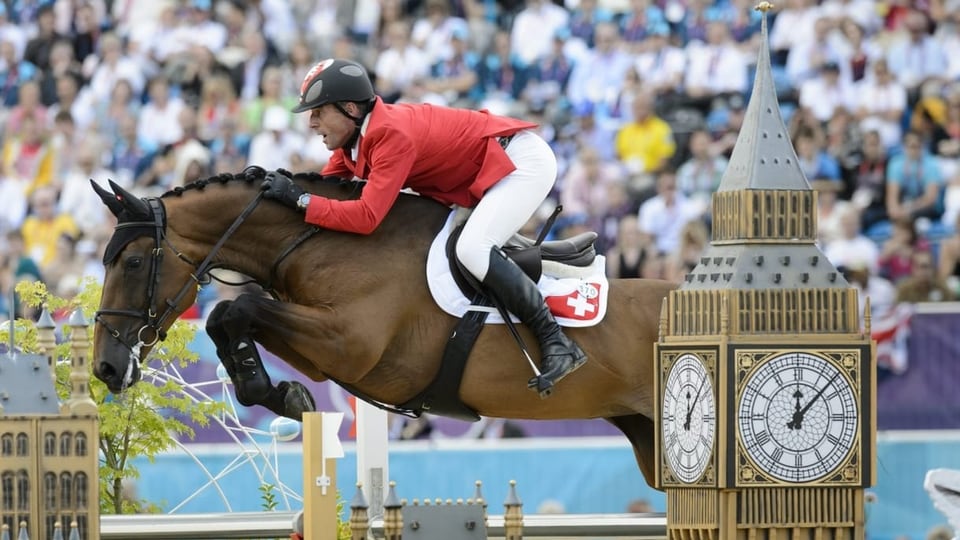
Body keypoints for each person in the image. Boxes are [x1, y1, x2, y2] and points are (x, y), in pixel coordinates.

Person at [258, 58, 587, 397]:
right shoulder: (356, 139)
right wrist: (275, 195)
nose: (311, 122)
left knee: (471, 249)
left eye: (317, 112)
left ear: (350, 108)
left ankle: (557, 342)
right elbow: (321, 186)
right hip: (487, 173)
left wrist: (299, 201)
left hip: (519, 164)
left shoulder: (389, 134)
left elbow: (366, 217)